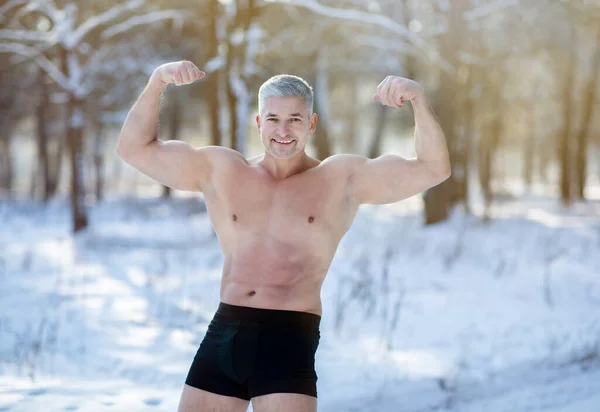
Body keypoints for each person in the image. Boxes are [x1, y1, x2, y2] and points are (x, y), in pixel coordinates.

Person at [117, 60, 450, 412]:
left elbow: (433, 168)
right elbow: (133, 149)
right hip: (226, 331)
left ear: (311, 123)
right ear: (259, 122)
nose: (283, 130)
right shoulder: (222, 170)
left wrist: (417, 99)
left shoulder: (340, 179)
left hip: (289, 337)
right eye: (273, 119)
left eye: (294, 119)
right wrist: (157, 81)